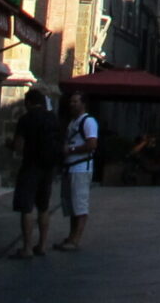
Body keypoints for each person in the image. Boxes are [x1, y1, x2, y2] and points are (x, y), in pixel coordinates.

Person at [8, 89, 62, 258]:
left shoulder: (26, 119)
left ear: (29, 102)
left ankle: (27, 248)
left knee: (27, 207)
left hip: (31, 165)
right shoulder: (53, 118)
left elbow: (18, 146)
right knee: (44, 207)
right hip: (49, 167)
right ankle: (42, 245)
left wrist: (9, 144)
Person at [57, 91, 98, 251]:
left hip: (81, 168)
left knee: (79, 205)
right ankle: (70, 236)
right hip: (71, 168)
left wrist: (71, 150)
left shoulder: (88, 122)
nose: (72, 104)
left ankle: (75, 240)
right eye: (71, 101)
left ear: (83, 104)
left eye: (75, 101)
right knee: (72, 205)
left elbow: (92, 144)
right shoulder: (73, 122)